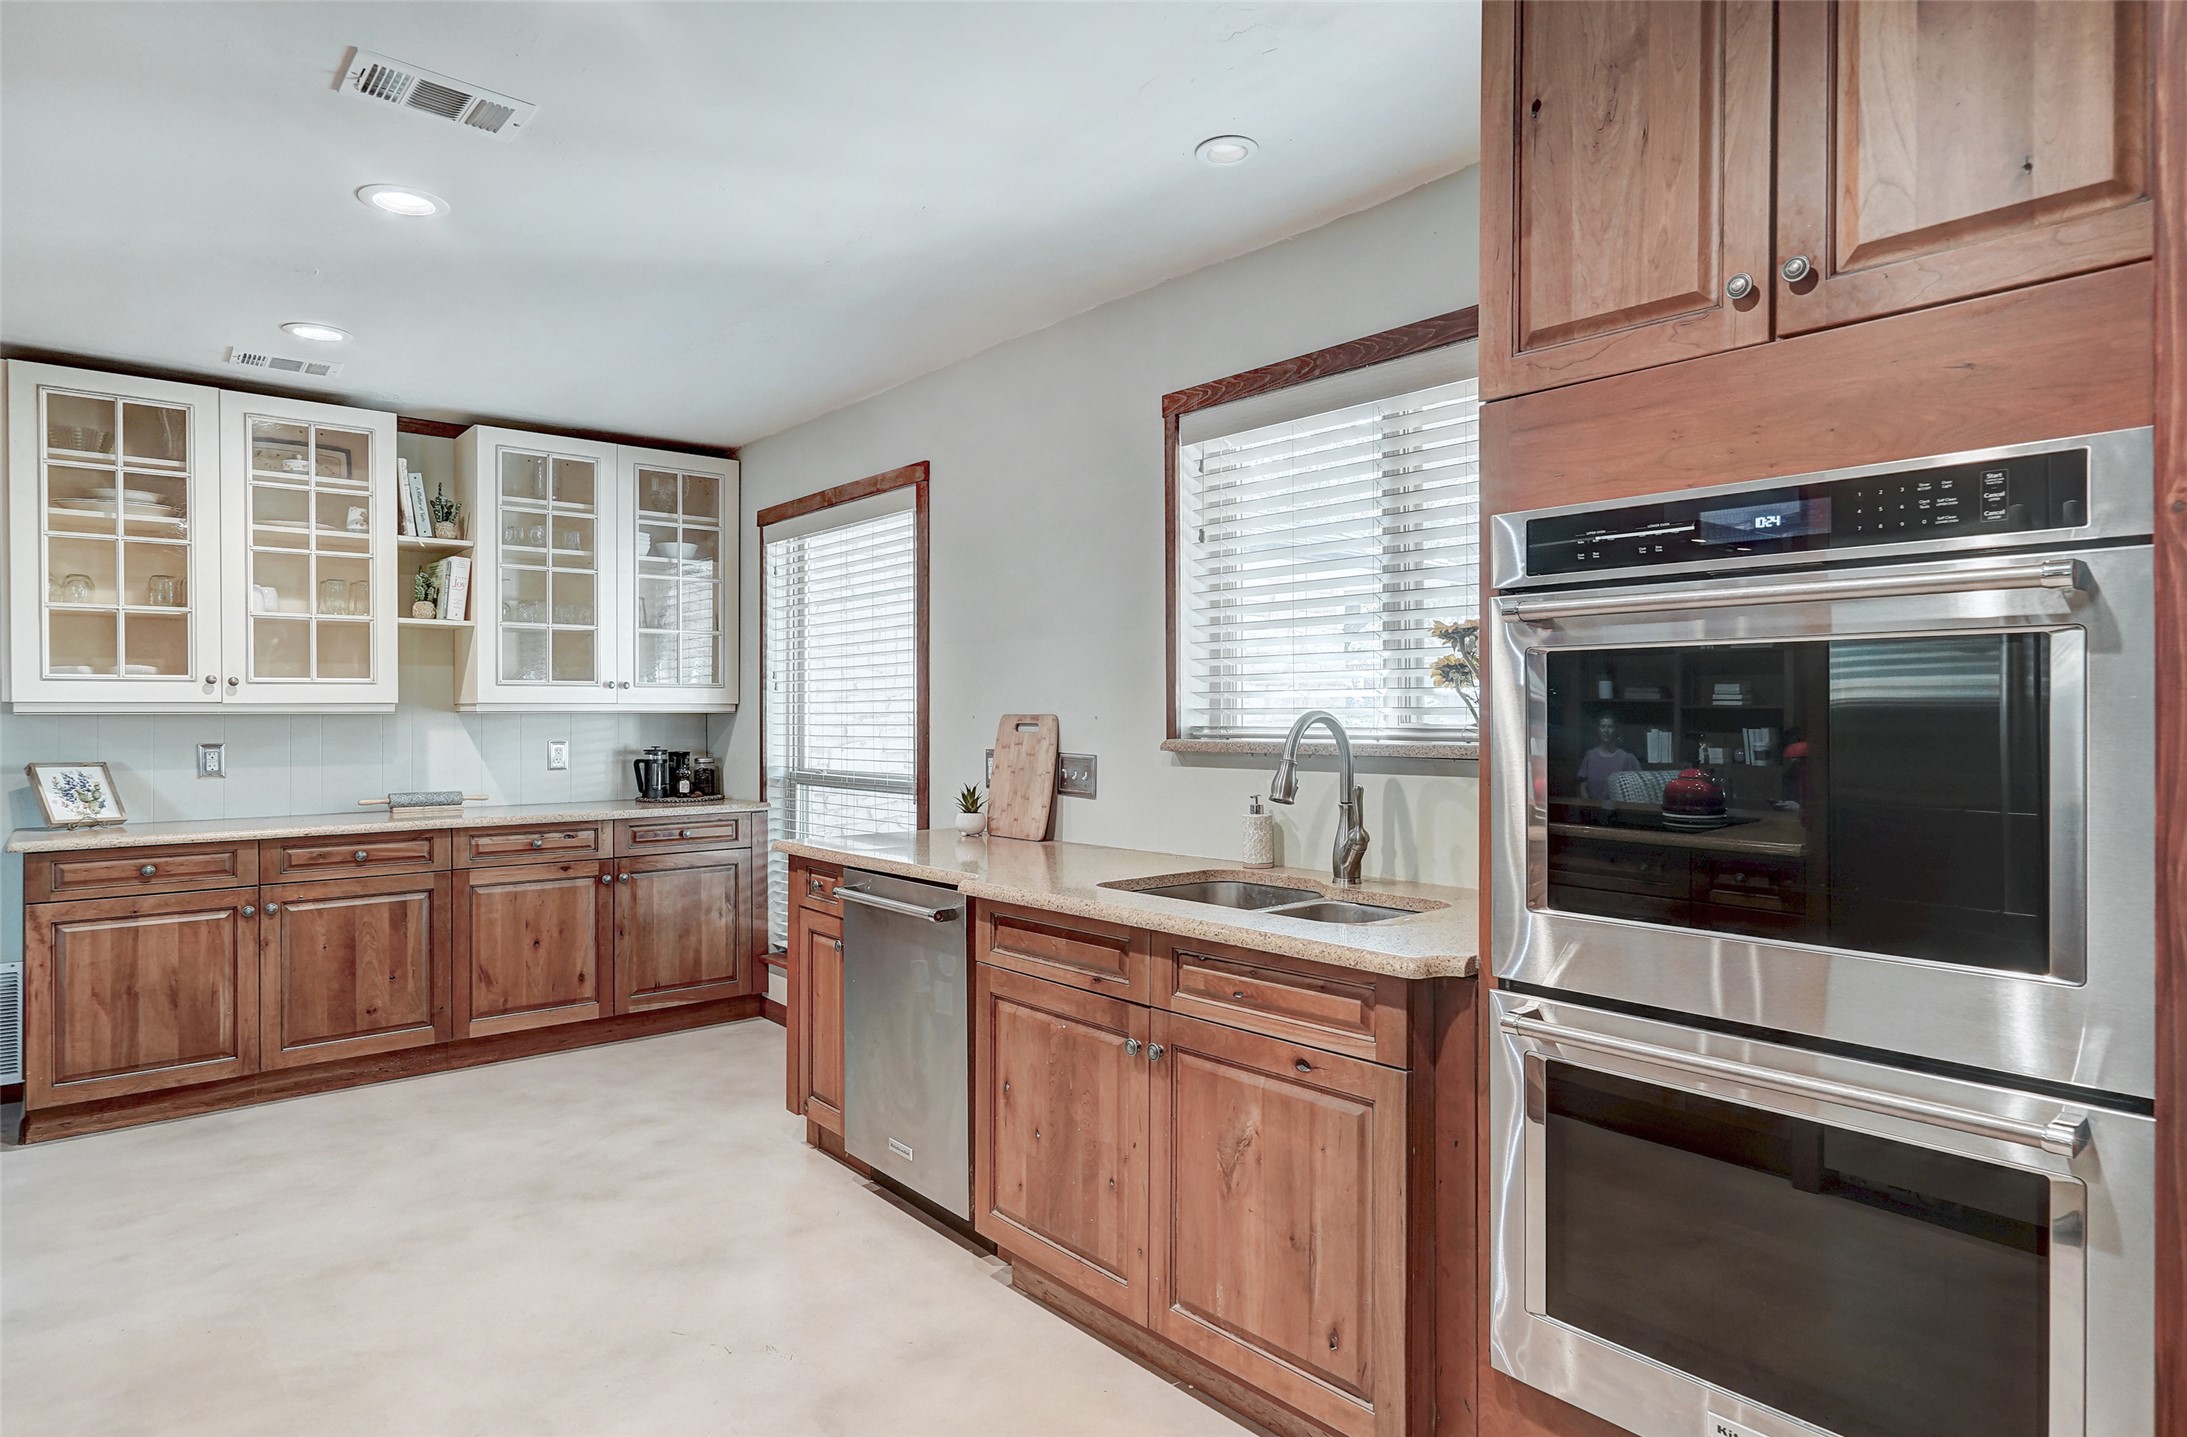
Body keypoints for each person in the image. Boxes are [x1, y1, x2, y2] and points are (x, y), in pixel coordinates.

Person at [1576, 710, 1641, 800]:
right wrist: (1587, 803)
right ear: (1598, 729)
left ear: (1616, 730)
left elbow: (1636, 788)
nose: (1606, 730)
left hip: (1618, 810)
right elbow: (1583, 783)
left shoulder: (1627, 758)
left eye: (1610, 727)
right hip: (1592, 808)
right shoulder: (1590, 755)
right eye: (1603, 726)